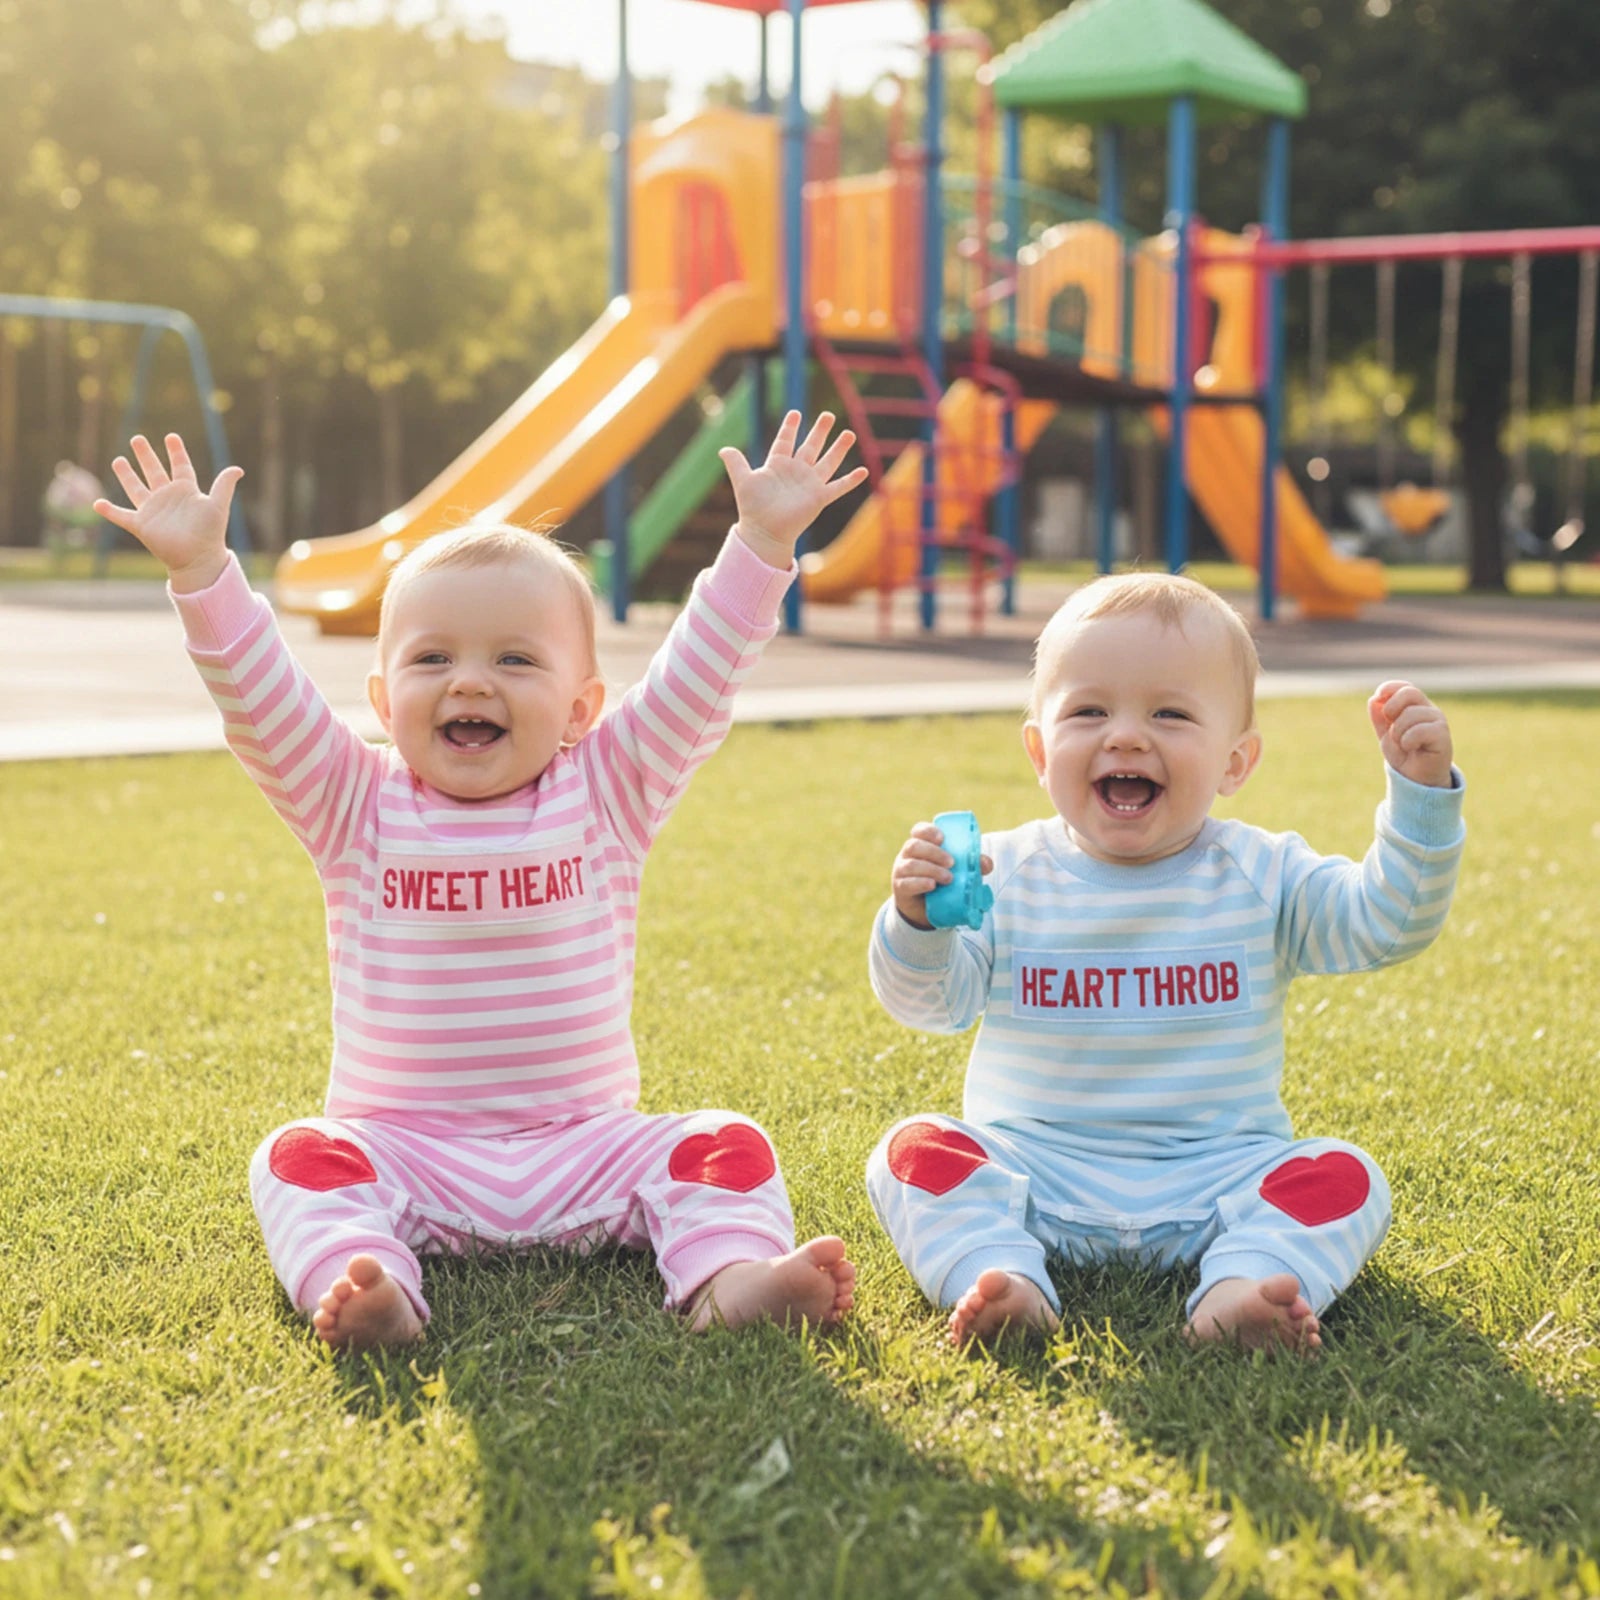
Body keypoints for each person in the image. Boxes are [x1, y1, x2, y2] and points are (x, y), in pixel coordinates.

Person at [94, 415, 867, 1351]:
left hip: (587, 1149)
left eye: (514, 659)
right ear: (383, 702)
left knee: (723, 1139)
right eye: (432, 658)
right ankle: (369, 1286)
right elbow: (259, 697)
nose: (468, 683)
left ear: (583, 708)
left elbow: (700, 672)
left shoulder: (609, 790)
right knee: (296, 1156)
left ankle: (731, 1280)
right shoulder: (354, 802)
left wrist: (763, 545)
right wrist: (202, 575)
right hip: (409, 1155)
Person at [866, 572, 1464, 1352]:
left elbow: (1384, 925)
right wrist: (918, 922)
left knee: (1347, 1175)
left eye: (1170, 714)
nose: (1125, 737)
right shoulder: (1001, 874)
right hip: (1039, 1175)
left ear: (1235, 762)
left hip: (1218, 1177)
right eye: (1089, 710)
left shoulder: (1262, 873)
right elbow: (930, 1004)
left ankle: (1244, 1285)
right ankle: (1000, 1275)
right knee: (911, 1150)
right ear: (1041, 752)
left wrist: (1420, 801)